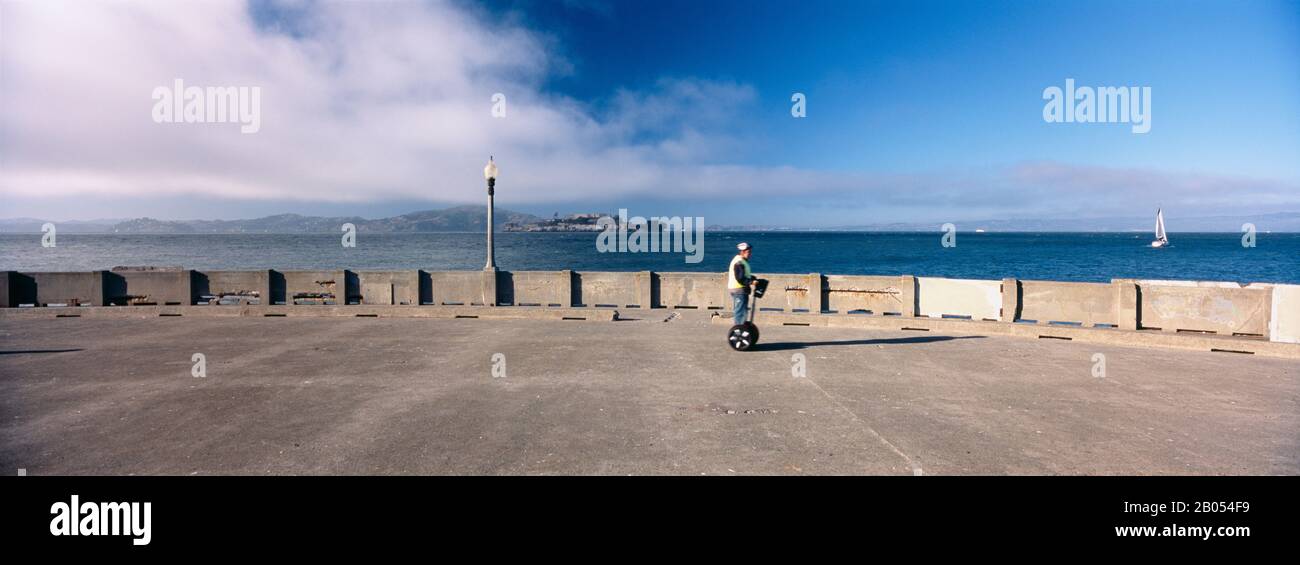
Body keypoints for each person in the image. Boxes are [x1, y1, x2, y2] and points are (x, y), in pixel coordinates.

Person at [727, 242, 757, 325]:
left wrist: (752, 278)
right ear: (742, 252)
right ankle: (738, 331)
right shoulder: (739, 262)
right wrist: (751, 282)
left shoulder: (743, 261)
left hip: (741, 289)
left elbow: (744, 275)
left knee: (743, 311)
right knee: (740, 312)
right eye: (748, 252)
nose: (750, 254)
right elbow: (740, 278)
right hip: (738, 290)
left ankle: (742, 329)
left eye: (750, 252)